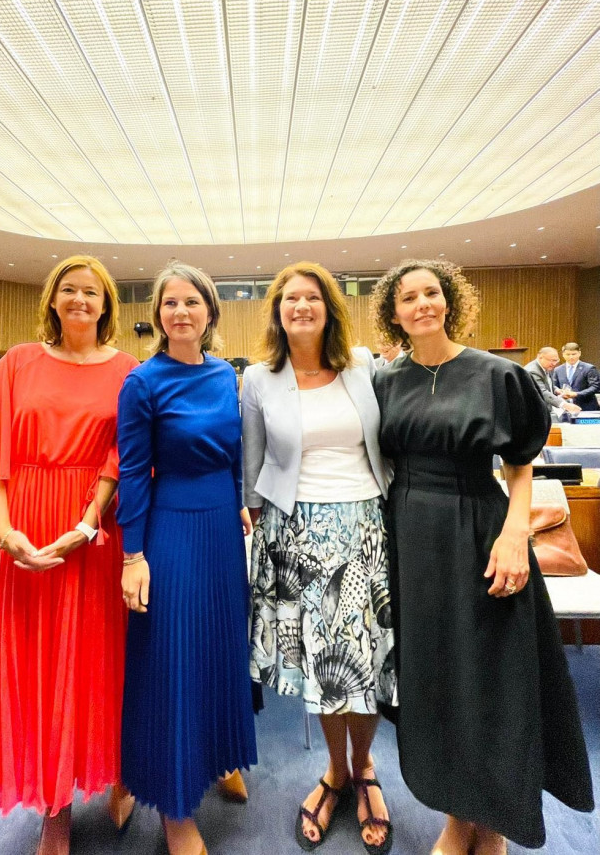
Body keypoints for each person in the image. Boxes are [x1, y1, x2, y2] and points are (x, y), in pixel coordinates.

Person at [370, 259, 594, 854]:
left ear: (449, 302)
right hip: (410, 537)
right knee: (435, 679)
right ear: (393, 312)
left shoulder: (498, 374)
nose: (421, 304)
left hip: (480, 527)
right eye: (408, 297)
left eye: (431, 293)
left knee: (490, 677)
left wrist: (515, 534)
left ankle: (491, 825)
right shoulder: (386, 382)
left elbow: (521, 467)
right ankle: (455, 817)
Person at [0, 255, 139, 855]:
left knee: (96, 666)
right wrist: (6, 533)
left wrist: (87, 523)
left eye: (92, 292)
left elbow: (123, 454)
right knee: (33, 669)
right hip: (18, 532)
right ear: (53, 300)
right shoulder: (16, 363)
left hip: (91, 532)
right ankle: (53, 806)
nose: (81, 299)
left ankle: (114, 774)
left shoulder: (129, 369)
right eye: (69, 290)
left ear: (107, 304)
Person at [243, 262, 396, 854]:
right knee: (325, 665)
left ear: (329, 307)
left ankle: (366, 769)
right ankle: (338, 771)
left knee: (363, 659)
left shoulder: (364, 367)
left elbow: (390, 444)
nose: (301, 306)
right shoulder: (258, 378)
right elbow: (251, 463)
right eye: (290, 299)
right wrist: (247, 516)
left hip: (364, 526)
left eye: (312, 297)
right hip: (292, 530)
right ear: (277, 312)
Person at [117, 260, 257, 855]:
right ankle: (175, 809)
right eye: (169, 303)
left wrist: (239, 504)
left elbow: (233, 454)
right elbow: (131, 471)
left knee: (220, 647)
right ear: (158, 315)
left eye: (191, 303)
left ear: (209, 312)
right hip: (170, 528)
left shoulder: (227, 374)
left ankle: (218, 754)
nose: (180, 312)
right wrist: (133, 554)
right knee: (172, 658)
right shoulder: (143, 382)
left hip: (223, 530)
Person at [524, 347, 580, 419]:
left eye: (556, 360)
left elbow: (547, 384)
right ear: (540, 357)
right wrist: (564, 405)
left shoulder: (545, 367)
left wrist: (557, 390)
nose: (554, 364)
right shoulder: (533, 371)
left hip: (546, 410)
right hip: (536, 413)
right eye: (551, 360)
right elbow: (542, 392)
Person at [552, 342, 600, 411]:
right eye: (568, 354)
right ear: (563, 355)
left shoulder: (589, 368)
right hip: (566, 408)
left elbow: (595, 387)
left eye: (574, 354)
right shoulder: (558, 370)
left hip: (586, 407)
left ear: (579, 353)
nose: (571, 357)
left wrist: (576, 394)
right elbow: (553, 386)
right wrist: (559, 391)